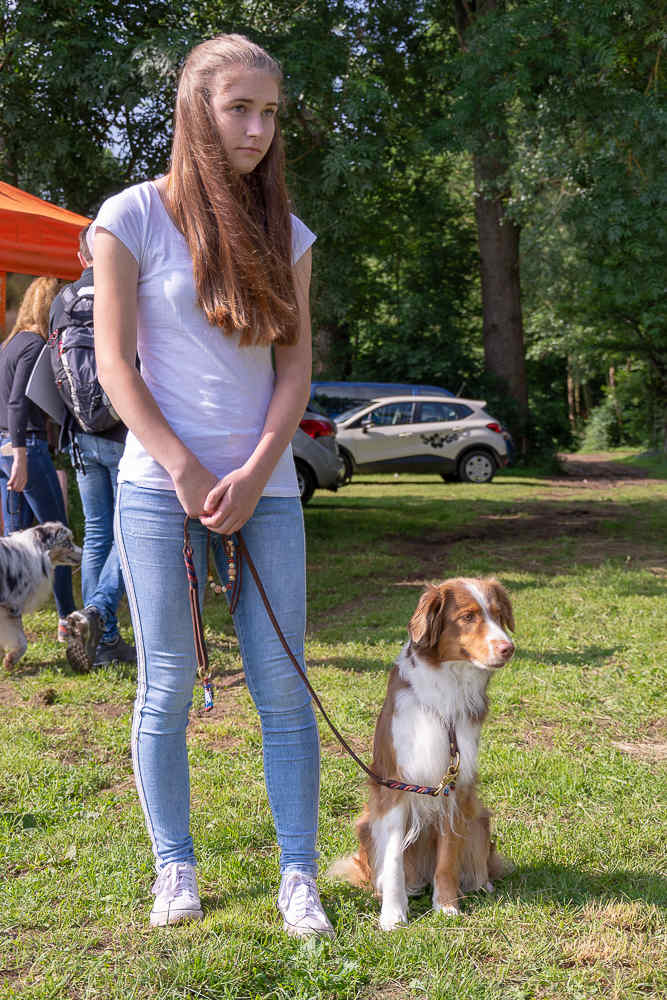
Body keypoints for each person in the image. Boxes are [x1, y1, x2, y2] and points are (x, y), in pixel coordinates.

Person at [91, 34, 332, 935]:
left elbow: (295, 372)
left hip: (263, 487)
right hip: (158, 485)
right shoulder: (129, 218)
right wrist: (188, 469)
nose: (259, 129)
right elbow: (116, 368)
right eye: (241, 108)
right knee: (164, 682)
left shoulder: (287, 232)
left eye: (270, 113)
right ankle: (174, 868)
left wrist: (258, 468)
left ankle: (298, 875)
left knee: (282, 683)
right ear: (196, 110)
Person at [49, 226, 136, 672]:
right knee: (127, 532)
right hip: (125, 434)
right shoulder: (125, 291)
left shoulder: (62, 300)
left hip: (80, 438)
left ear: (80, 254)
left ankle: (103, 640)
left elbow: (51, 372)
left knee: (99, 533)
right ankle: (98, 616)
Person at [0, 277, 76, 638]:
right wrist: (21, 456)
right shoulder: (33, 346)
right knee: (55, 534)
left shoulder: (10, 344)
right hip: (24, 449)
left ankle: (11, 617)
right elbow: (16, 402)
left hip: (4, 448)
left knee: (13, 543)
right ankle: (67, 619)